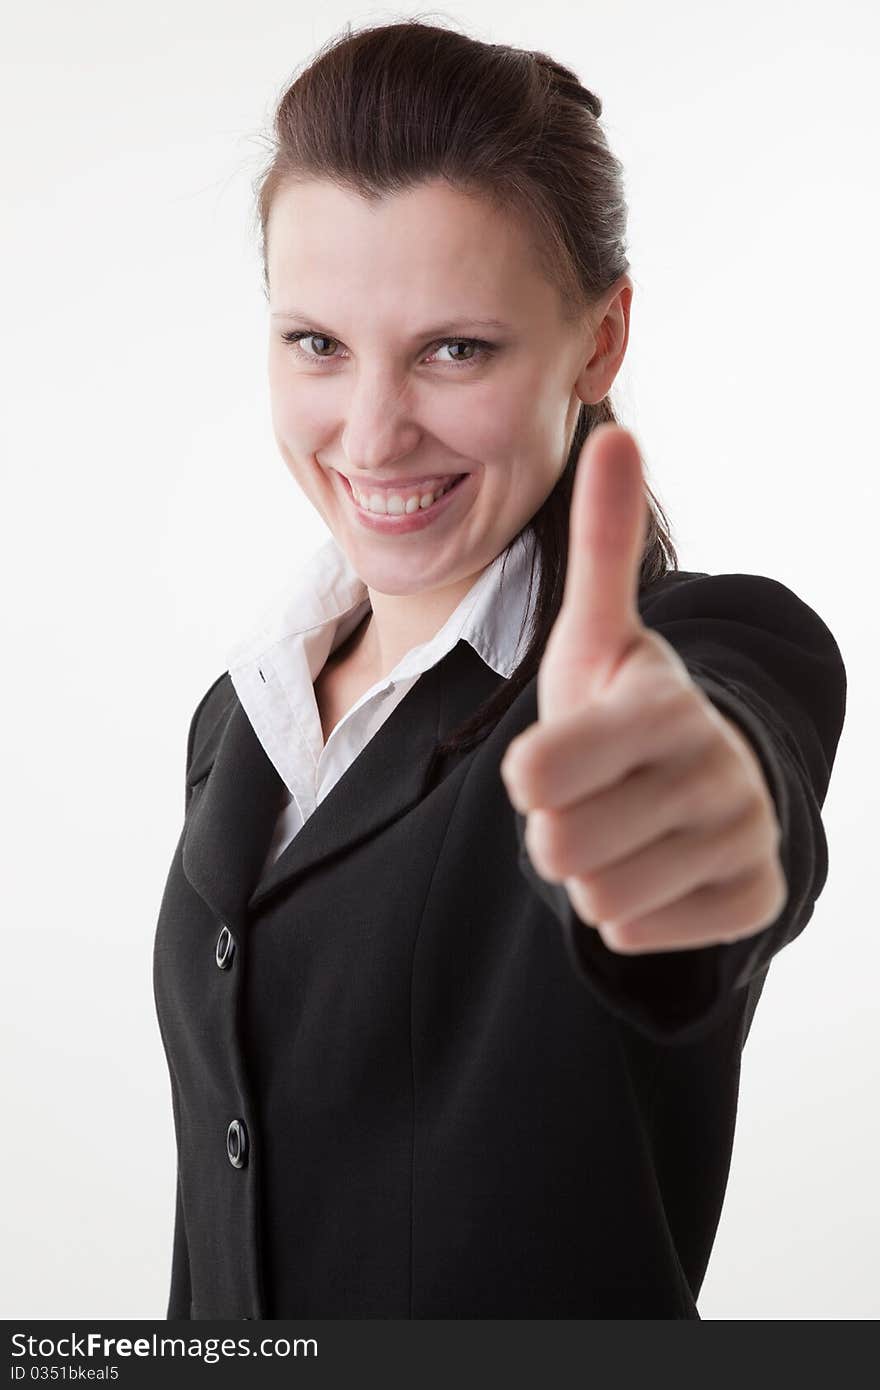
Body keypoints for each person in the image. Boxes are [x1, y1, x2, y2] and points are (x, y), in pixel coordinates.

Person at [152, 19, 847, 1320]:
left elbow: (727, 804)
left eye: (453, 348)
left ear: (598, 341)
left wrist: (703, 820)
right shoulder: (238, 718)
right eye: (316, 343)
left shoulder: (706, 652)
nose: (370, 430)